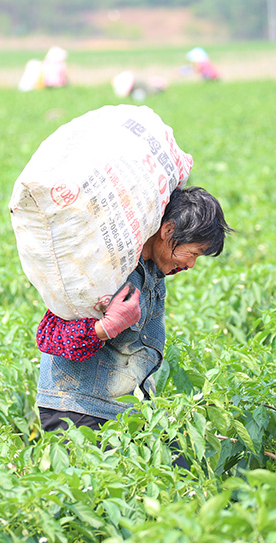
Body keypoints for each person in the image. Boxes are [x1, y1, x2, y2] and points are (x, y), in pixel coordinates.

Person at [35, 186, 233, 465]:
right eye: (194, 253)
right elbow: (49, 337)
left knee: (182, 470)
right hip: (77, 410)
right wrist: (106, 327)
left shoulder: (153, 270)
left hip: (125, 411)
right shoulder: (107, 267)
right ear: (168, 230)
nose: (190, 264)